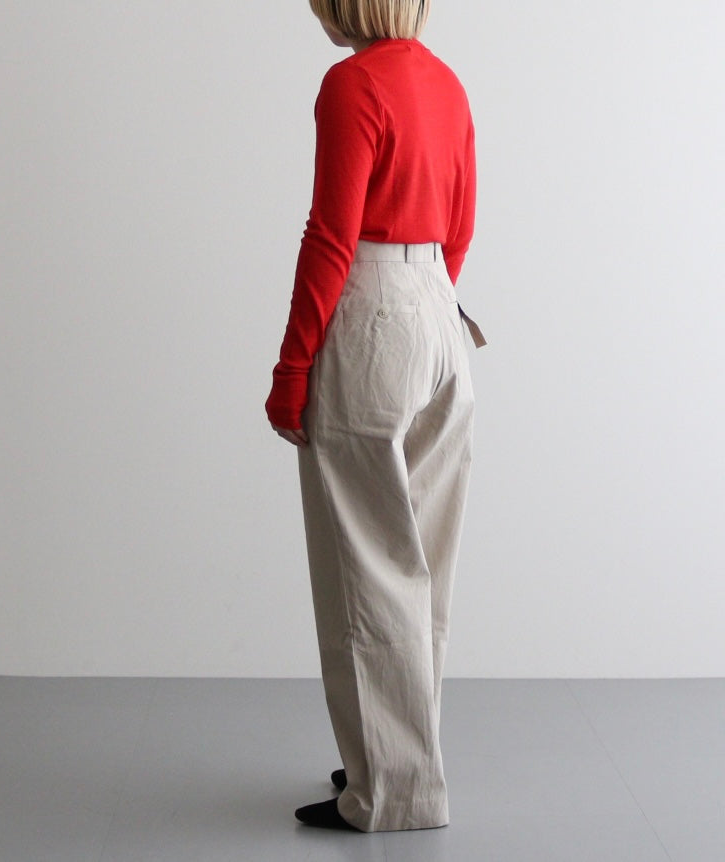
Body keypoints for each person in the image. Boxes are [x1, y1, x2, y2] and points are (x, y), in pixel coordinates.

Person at [265, 0, 483, 833]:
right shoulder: (447, 84)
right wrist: (428, 301)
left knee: (366, 562)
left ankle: (391, 790)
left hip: (374, 305)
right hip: (440, 310)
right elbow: (461, 225)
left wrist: (293, 368)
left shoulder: (352, 85)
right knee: (421, 559)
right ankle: (395, 758)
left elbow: (332, 233)